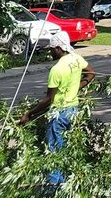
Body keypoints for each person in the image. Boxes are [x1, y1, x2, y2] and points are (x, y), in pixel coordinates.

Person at [19, 29, 95, 187]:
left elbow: (49, 99)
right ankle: (65, 184)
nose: (51, 52)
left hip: (59, 114)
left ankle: (53, 187)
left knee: (54, 151)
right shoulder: (76, 58)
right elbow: (91, 73)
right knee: (65, 148)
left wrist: (29, 113)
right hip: (73, 112)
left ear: (59, 48)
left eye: (52, 49)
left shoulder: (57, 69)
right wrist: (77, 88)